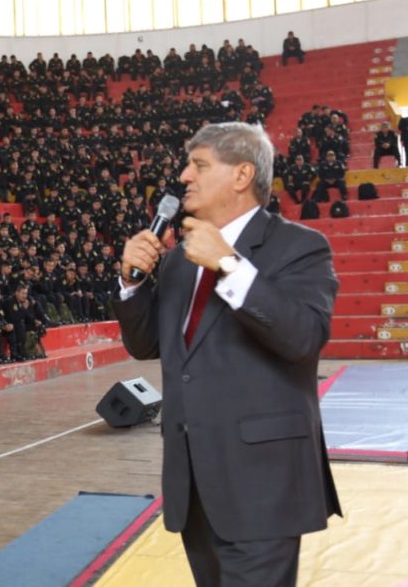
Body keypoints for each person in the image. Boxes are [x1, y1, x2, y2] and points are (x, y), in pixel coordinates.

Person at [112, 122, 341, 587]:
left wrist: (231, 264)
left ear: (241, 175)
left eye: (198, 165)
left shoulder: (299, 246)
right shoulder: (178, 259)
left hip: (263, 485)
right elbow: (147, 345)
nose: (183, 176)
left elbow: (303, 337)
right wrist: (132, 282)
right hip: (193, 483)